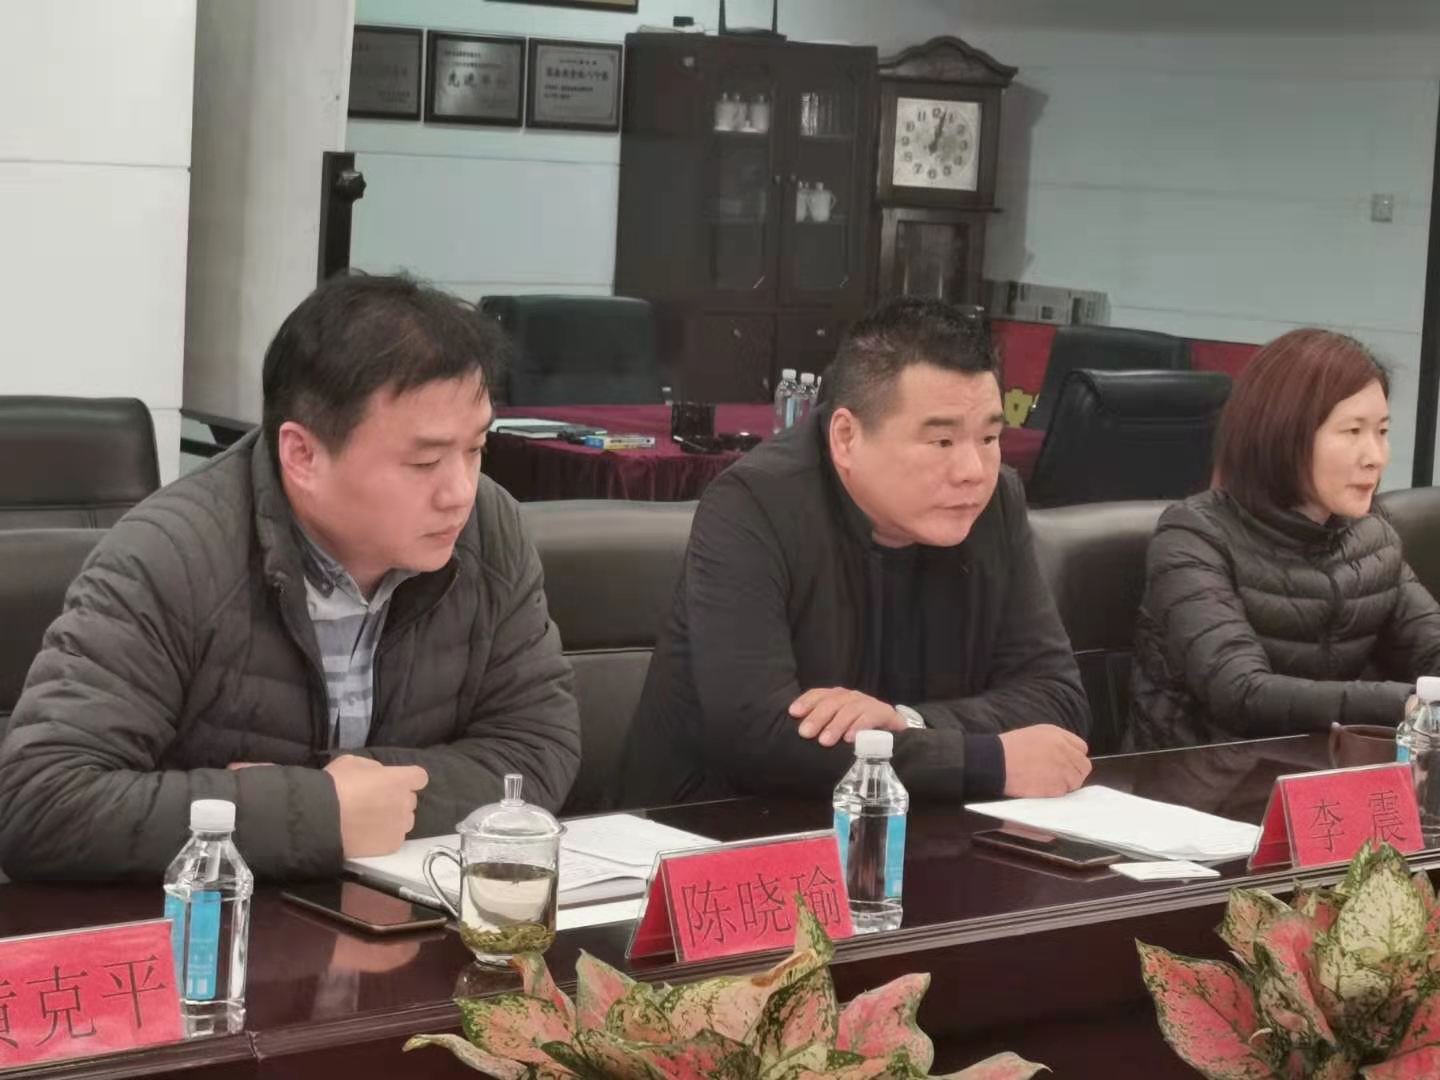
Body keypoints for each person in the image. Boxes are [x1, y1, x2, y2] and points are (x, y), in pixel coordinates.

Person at [0, 274, 581, 880]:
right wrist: (320, 811)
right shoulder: (169, 557)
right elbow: (41, 803)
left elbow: (536, 750)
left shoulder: (489, 527)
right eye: (425, 460)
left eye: (476, 448)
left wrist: (322, 796)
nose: (459, 491)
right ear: (302, 455)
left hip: (391, 915)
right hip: (210, 922)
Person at [617, 297, 1092, 807]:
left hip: (920, 824)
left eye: (990, 437)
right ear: (846, 437)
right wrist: (984, 761)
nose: (973, 471)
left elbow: (1058, 699)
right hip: (717, 827)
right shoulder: (753, 504)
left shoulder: (994, 502)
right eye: (942, 442)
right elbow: (760, 737)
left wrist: (908, 722)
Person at [1128, 328, 1440, 751]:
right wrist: (1408, 703)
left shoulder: (1373, 539)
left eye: (1382, 431)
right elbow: (1241, 692)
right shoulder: (1194, 534)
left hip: (1320, 771)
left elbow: (1430, 646)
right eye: (1353, 431)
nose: (1375, 457)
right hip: (1196, 774)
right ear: (1283, 434)